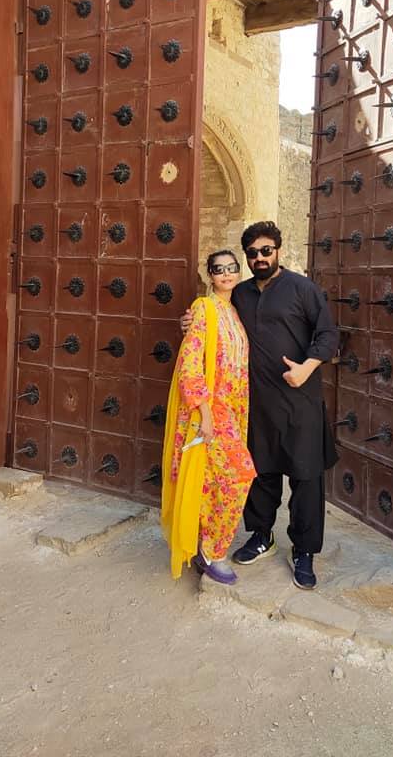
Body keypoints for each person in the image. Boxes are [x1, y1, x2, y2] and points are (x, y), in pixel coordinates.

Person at [181, 222, 339, 590]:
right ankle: (261, 535)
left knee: (305, 478)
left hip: (300, 402)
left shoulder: (302, 288)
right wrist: (188, 320)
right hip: (255, 403)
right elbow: (213, 320)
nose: (259, 258)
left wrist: (308, 367)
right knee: (261, 473)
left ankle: (303, 551)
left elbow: (328, 333)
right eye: (252, 253)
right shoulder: (242, 293)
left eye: (266, 251)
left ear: (278, 250)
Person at [161, 250, 256, 585]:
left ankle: (203, 543)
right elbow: (190, 363)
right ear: (210, 275)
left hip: (231, 409)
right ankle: (211, 550)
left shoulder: (235, 311)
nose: (227, 274)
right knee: (239, 475)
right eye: (219, 269)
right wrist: (203, 411)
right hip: (210, 410)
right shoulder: (204, 308)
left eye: (232, 268)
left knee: (213, 480)